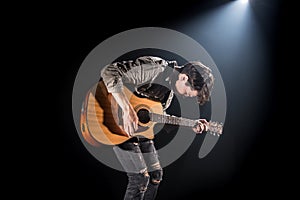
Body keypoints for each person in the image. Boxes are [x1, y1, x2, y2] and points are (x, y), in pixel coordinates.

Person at [100, 55, 214, 200]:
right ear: (184, 78)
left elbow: (156, 117)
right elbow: (109, 71)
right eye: (187, 93)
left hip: (138, 131)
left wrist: (191, 124)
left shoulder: (168, 93)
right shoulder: (156, 69)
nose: (185, 97)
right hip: (114, 120)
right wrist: (127, 110)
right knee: (140, 179)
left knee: (156, 176)